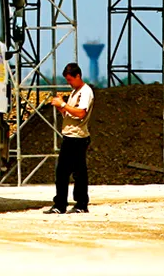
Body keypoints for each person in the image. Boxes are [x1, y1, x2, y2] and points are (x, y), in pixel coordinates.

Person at [44, 62, 94, 214]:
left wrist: (63, 104)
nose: (69, 83)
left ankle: (65, 204)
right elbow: (69, 115)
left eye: (71, 80)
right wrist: (61, 107)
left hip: (77, 137)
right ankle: (77, 203)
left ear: (78, 76)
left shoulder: (85, 92)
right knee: (72, 172)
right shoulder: (75, 92)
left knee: (68, 172)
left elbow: (81, 113)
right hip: (70, 134)